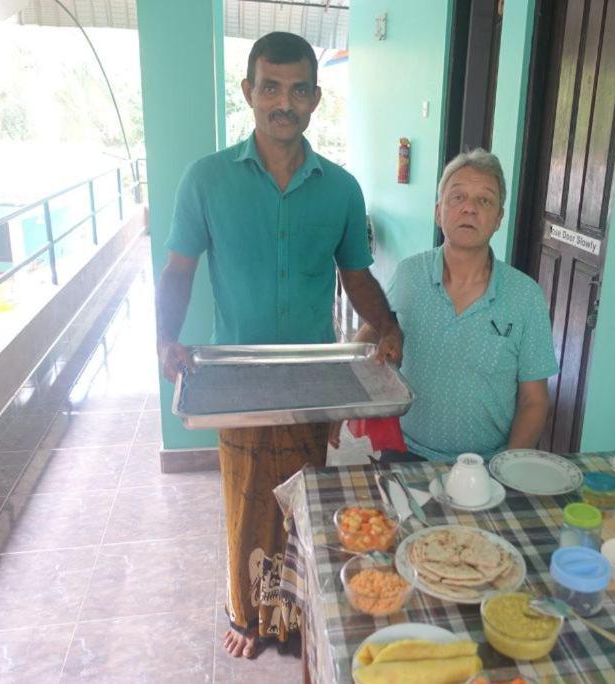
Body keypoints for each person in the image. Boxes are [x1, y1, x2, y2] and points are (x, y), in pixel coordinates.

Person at [155, 32, 401, 659]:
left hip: (312, 377)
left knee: (306, 498)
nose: (282, 102)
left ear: (316, 99)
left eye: (297, 90)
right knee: (246, 502)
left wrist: (389, 324)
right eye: (270, 87)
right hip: (235, 376)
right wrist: (165, 336)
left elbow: (357, 275)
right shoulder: (206, 180)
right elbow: (179, 269)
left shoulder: (341, 189)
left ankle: (296, 612)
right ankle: (247, 613)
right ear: (249, 92)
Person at [341, 149, 558, 463]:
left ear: (499, 219)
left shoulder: (525, 296)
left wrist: (508, 469)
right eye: (457, 197)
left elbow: (534, 401)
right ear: (438, 211)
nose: (469, 208)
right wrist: (342, 390)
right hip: (406, 453)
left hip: (486, 463)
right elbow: (374, 332)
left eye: (485, 200)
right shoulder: (410, 274)